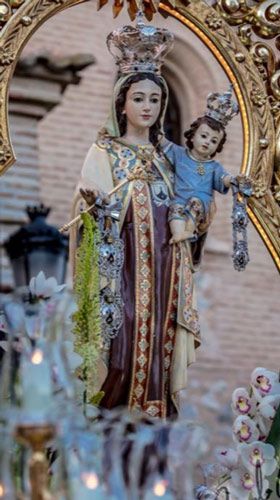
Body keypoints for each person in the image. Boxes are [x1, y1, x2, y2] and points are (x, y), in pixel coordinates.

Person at [70, 17, 200, 418]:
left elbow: (188, 209)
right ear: (121, 103)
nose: (147, 107)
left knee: (158, 351)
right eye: (139, 98)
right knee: (120, 343)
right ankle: (110, 418)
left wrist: (193, 212)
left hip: (163, 273)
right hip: (119, 271)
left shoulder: (167, 159)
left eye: (155, 100)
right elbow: (85, 213)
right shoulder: (104, 153)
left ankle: (152, 418)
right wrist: (99, 203)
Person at [166, 88, 239, 246]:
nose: (207, 142)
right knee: (175, 210)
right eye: (204, 136)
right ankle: (179, 233)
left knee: (195, 203)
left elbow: (223, 179)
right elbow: (161, 144)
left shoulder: (214, 167)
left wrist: (231, 181)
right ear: (192, 136)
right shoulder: (178, 154)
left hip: (201, 205)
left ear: (218, 147)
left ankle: (189, 231)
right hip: (179, 200)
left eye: (213, 141)